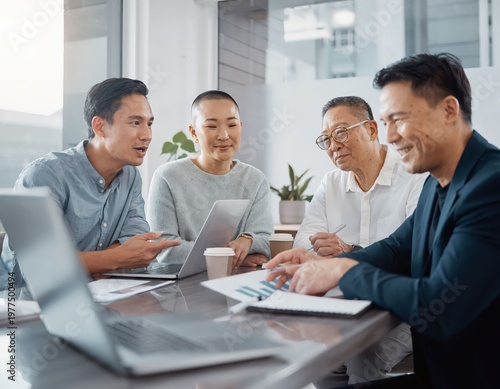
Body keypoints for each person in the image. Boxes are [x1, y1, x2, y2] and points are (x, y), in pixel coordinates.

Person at [267, 53, 500, 388]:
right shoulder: (440, 180)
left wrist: (344, 270)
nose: (389, 137)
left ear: (449, 111)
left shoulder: (490, 186)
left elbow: (440, 307)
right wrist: (322, 265)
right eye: (386, 122)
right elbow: (396, 248)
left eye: (399, 119)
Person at [293, 96, 427, 386]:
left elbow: (414, 253)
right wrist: (316, 247)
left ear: (372, 130)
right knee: (317, 356)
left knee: (362, 356)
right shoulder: (331, 183)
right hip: (346, 303)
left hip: (403, 307)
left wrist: (349, 252)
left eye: (341, 132)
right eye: (325, 138)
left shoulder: (415, 176)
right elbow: (301, 240)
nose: (333, 145)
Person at [1, 78, 179, 294]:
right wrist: (115, 259)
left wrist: (100, 262)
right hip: (27, 309)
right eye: (135, 122)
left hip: (101, 298)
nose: (147, 135)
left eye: (149, 123)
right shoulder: (45, 175)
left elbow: (134, 239)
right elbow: (40, 267)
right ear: (100, 126)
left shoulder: (130, 175)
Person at [147, 90, 272, 268]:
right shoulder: (167, 177)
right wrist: (230, 257)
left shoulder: (255, 179)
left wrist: (248, 240)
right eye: (212, 126)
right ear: (193, 132)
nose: (224, 135)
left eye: (232, 125)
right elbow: (165, 249)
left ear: (241, 126)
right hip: (181, 288)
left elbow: (265, 240)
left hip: (236, 282)